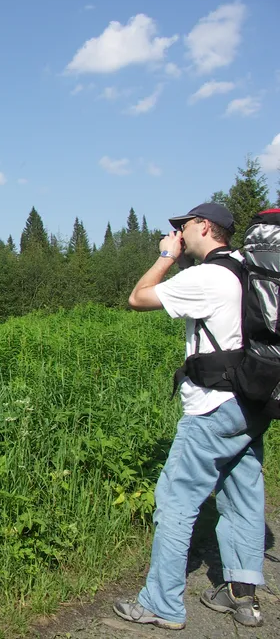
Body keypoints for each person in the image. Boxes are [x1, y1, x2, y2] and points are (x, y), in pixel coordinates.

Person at [112, 202, 267, 630]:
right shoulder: (246, 267)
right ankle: (243, 599)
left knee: (176, 502)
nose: (179, 234)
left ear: (203, 226)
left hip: (212, 407)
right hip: (252, 401)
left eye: (183, 227)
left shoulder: (206, 277)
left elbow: (137, 298)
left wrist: (166, 256)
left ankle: (161, 605)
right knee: (243, 497)